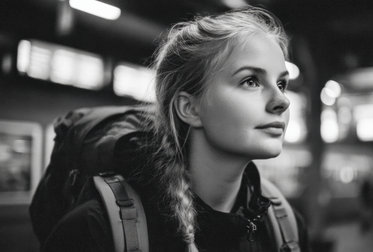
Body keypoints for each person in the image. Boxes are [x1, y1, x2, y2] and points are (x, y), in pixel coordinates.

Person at [41, 7, 310, 252]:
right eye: (251, 81)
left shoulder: (283, 223)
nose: (282, 101)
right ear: (189, 108)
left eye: (282, 84)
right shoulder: (95, 231)